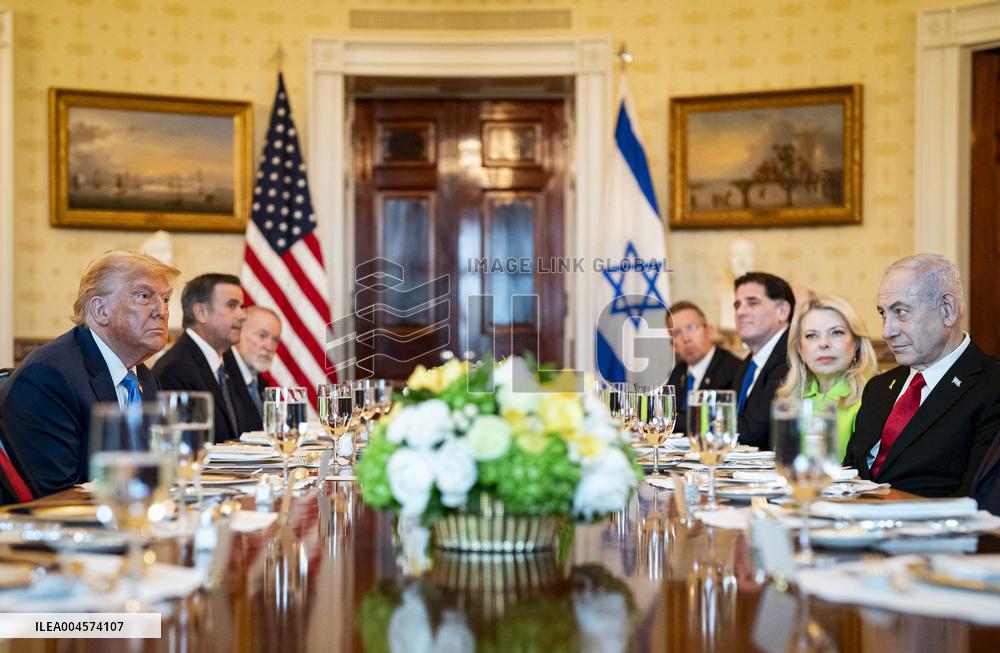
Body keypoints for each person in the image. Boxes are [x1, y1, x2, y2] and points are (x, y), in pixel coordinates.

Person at [0, 251, 179, 498]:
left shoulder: (144, 377)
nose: (162, 311)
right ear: (100, 310)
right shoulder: (48, 377)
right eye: (144, 296)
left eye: (166, 299)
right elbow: (55, 497)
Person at [843, 254, 1000, 497]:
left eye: (901, 312)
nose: (887, 331)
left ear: (947, 310)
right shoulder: (879, 387)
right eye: (883, 314)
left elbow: (976, 498)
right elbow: (849, 475)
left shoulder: (992, 385)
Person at [776, 296, 880, 459]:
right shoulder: (789, 400)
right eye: (811, 335)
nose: (824, 343)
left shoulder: (872, 400)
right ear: (800, 349)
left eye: (836, 333)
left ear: (856, 343)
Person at [153, 273, 247, 442]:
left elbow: (248, 429)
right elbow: (184, 445)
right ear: (201, 312)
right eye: (232, 306)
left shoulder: (228, 361)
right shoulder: (174, 369)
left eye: (241, 306)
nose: (243, 315)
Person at [731, 272, 795, 449]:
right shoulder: (749, 363)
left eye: (752, 303)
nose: (740, 312)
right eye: (737, 305)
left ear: (782, 311)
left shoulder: (792, 357)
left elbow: (752, 431)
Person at [666, 301, 742, 431]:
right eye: (677, 333)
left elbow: (713, 422)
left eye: (691, 328)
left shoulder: (733, 369)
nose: (686, 338)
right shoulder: (678, 372)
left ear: (710, 331)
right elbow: (664, 413)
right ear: (673, 344)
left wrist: (673, 420)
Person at [224, 305, 282, 433]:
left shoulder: (261, 384)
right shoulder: (222, 374)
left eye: (275, 340)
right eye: (262, 335)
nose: (269, 346)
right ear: (239, 332)